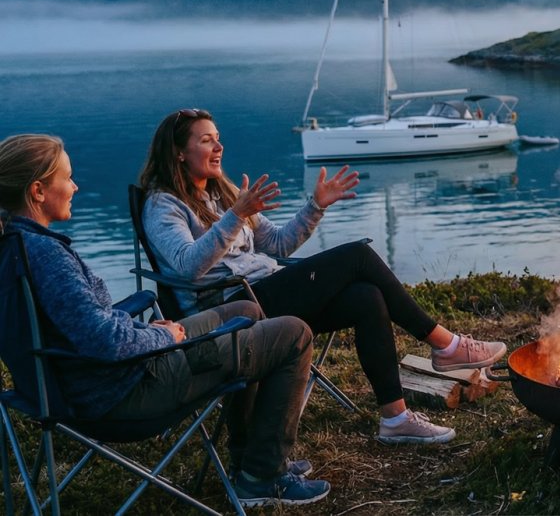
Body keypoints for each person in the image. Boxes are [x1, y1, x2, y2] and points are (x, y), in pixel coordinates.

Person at [138, 108, 507, 446]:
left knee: (366, 297)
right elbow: (187, 266)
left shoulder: (223, 193)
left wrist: (316, 207)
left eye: (217, 138)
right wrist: (236, 216)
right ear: (178, 153)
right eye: (206, 140)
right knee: (358, 256)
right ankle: (446, 346)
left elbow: (279, 244)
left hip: (264, 294)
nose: (219, 146)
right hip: (227, 310)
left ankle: (395, 419)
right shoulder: (163, 205)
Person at [0, 134, 331, 508]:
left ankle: (252, 458)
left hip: (87, 381)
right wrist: (165, 338)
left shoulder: (16, 247)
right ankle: (261, 478)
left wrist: (147, 330)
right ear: (39, 191)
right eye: (68, 177)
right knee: (294, 334)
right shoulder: (47, 257)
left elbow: (88, 327)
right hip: (122, 394)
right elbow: (104, 340)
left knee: (246, 311)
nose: (75, 186)